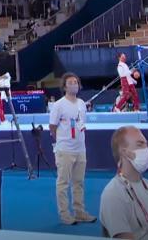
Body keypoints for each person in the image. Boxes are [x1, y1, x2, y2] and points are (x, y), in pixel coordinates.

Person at [49, 73, 96, 225]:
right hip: (65, 149)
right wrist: (61, 142)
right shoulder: (59, 105)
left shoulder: (82, 103)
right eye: (71, 82)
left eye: (76, 82)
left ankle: (80, 212)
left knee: (79, 182)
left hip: (80, 149)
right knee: (63, 183)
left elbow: (82, 123)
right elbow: (52, 126)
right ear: (64, 86)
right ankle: (64, 214)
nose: (74, 84)